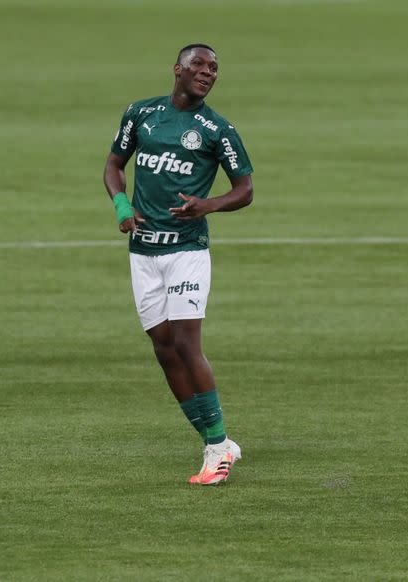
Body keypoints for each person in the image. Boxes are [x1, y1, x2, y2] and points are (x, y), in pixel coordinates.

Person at [102, 43, 254, 485]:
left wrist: (208, 205)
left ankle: (216, 451)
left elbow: (244, 189)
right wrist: (121, 207)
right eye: (199, 66)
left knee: (188, 345)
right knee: (163, 349)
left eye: (214, 69)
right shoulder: (140, 114)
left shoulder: (217, 130)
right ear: (178, 69)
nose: (208, 73)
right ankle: (217, 440)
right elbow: (113, 165)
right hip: (144, 252)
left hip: (187, 251)